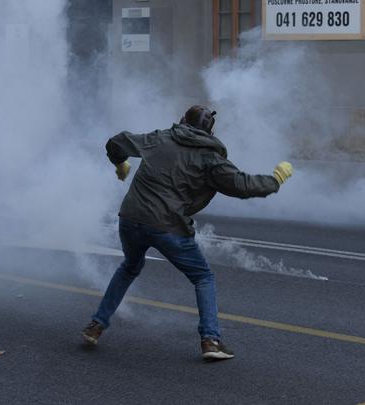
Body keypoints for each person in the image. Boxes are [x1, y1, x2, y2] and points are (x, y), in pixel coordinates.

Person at [81, 105, 293, 360]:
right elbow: (241, 185)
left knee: (129, 267)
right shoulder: (209, 157)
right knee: (203, 277)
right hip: (167, 226)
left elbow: (117, 142)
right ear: (209, 131)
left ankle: (96, 326)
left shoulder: (159, 138)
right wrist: (275, 180)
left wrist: (120, 164)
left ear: (182, 120)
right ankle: (210, 340)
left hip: (130, 218)